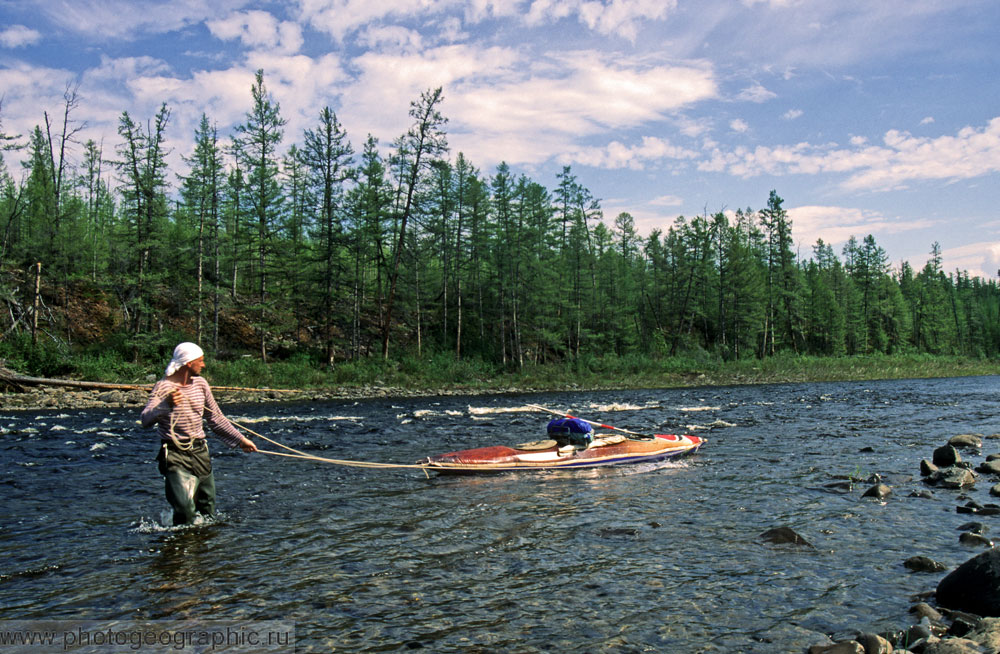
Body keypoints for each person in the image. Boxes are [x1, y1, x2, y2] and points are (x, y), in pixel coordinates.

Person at [141, 342, 257, 525]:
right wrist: (165, 405)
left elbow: (216, 419)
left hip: (200, 452)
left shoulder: (201, 384)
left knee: (207, 509)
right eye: (200, 361)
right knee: (184, 510)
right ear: (188, 363)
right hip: (174, 454)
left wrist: (240, 440)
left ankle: (205, 550)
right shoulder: (163, 387)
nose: (203, 365)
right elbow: (145, 420)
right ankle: (181, 548)